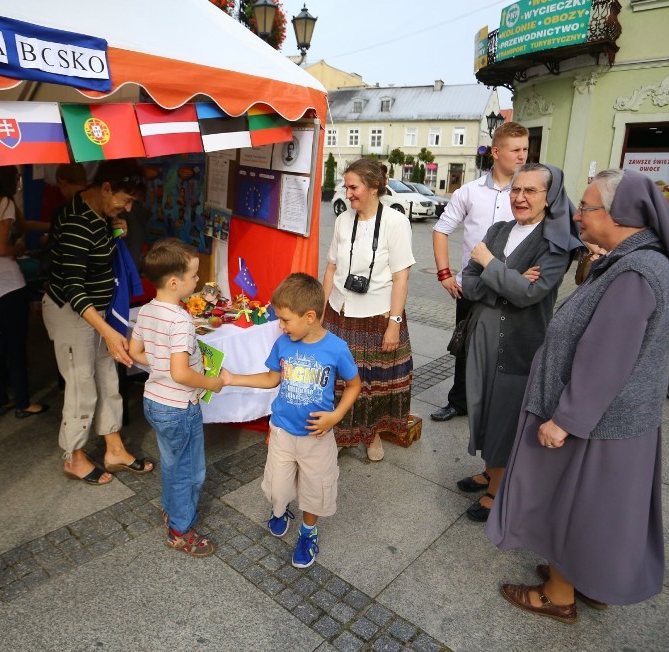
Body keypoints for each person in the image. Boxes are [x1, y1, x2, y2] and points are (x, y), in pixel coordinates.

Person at [486, 169, 669, 623]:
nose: (577, 214)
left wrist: (566, 419)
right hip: (614, 419)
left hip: (598, 422)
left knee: (577, 505)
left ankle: (559, 594)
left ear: (619, 214)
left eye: (587, 207)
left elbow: (606, 358)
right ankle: (587, 577)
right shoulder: (636, 260)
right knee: (598, 510)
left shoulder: (636, 271)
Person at [457, 163, 582, 521]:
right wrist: (507, 282)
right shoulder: (499, 229)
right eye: (515, 190)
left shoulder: (554, 244)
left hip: (519, 343)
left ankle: (497, 491)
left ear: (549, 197)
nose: (520, 198)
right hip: (482, 336)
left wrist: (490, 265)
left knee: (505, 414)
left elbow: (531, 293)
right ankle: (489, 470)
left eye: (530, 191)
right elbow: (468, 281)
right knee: (481, 403)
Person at [221, 273, 360, 568]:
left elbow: (354, 385)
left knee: (314, 490)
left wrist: (336, 416)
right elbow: (272, 378)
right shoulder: (284, 344)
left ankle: (308, 532)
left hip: (317, 437)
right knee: (276, 488)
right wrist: (233, 378)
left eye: (284, 320)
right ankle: (280, 510)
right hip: (283, 431)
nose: (280, 326)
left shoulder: (336, 348)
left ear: (310, 316)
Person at [43, 159, 154, 485]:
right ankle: (74, 456)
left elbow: (97, 257)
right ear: (106, 188)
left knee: (107, 377)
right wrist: (107, 331)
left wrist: (115, 231)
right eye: (126, 199)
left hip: (96, 312)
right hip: (73, 313)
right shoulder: (79, 222)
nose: (129, 207)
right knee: (81, 385)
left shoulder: (94, 211)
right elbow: (74, 289)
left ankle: (114, 447)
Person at [128, 238, 224, 557]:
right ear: (174, 282)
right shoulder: (180, 320)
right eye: (194, 276)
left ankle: (170, 509)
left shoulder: (147, 310)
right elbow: (182, 374)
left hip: (154, 400)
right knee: (189, 471)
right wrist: (210, 382)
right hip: (179, 407)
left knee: (172, 462)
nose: (197, 281)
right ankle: (181, 531)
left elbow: (134, 352)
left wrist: (159, 364)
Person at [431, 122, 529, 423]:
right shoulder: (470, 192)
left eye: (526, 149)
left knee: (508, 348)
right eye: (516, 150)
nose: (523, 156)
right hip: (473, 287)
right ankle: (458, 401)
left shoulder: (530, 191)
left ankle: (499, 405)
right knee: (464, 345)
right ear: (496, 152)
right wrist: (445, 274)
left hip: (514, 286)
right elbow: (441, 229)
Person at [321, 157, 416, 461]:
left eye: (353, 187)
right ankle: (341, 434)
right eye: (346, 187)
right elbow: (331, 267)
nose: (348, 193)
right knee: (340, 379)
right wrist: (321, 310)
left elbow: (401, 276)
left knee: (374, 383)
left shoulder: (396, 222)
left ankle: (371, 433)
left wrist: (395, 323)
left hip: (378, 315)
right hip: (340, 311)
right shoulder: (342, 219)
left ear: (374, 187)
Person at [0, 166, 48, 419]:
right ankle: (23, 402)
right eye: (17, 176)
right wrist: (17, 247)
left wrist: (56, 222)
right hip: (8, 284)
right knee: (16, 346)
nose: (19, 180)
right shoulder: (5, 203)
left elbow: (23, 224)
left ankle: (1, 399)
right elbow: (0, 248)